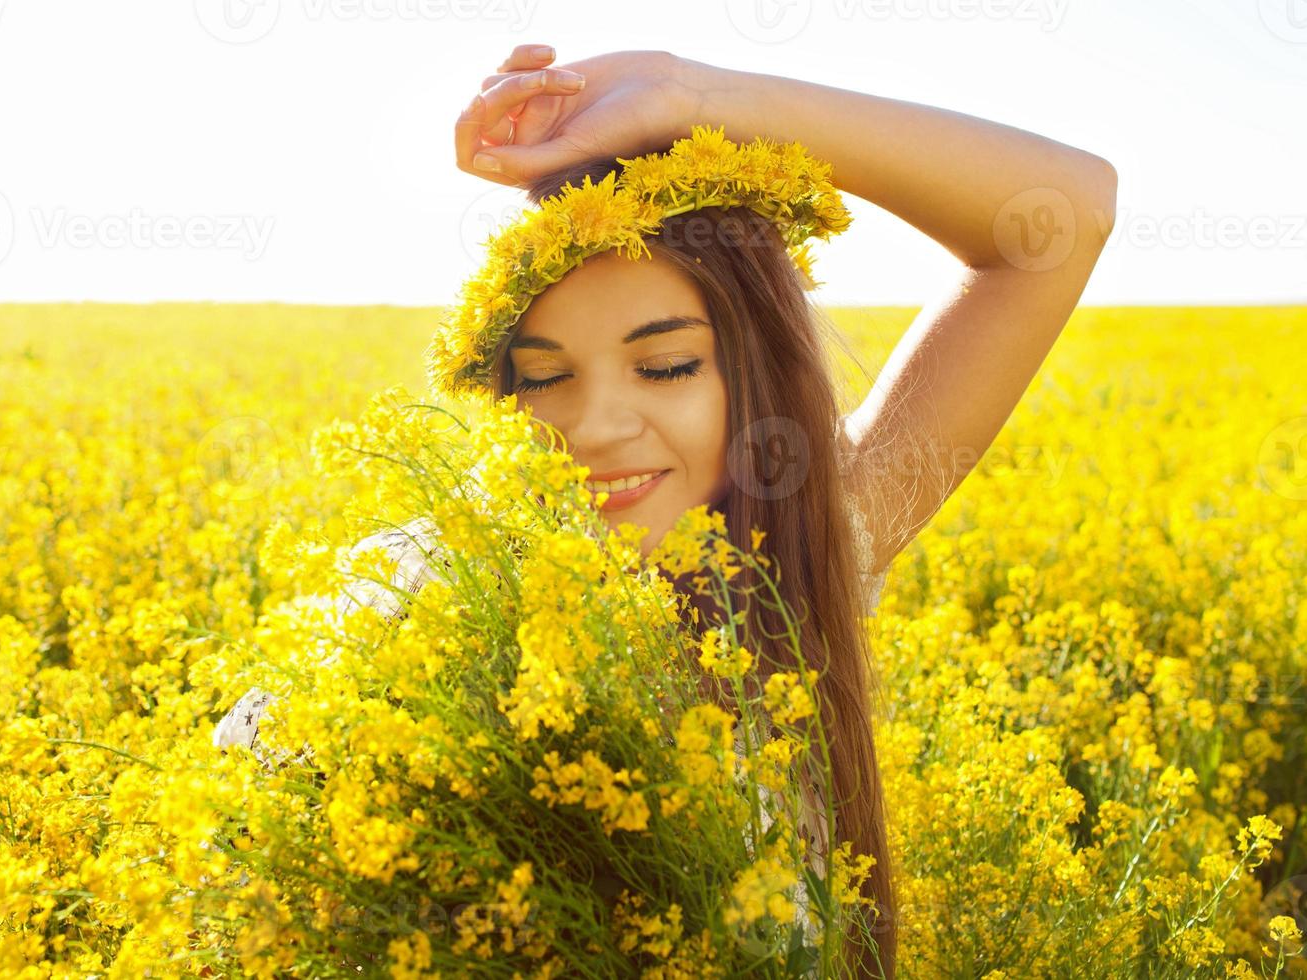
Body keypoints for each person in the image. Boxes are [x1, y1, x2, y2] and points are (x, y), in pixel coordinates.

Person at [219, 45, 1117, 978]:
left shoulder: (807, 551)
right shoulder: (429, 596)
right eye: (544, 376)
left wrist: (697, 97)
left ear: (753, 373)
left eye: (666, 366)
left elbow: (1061, 212)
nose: (597, 426)